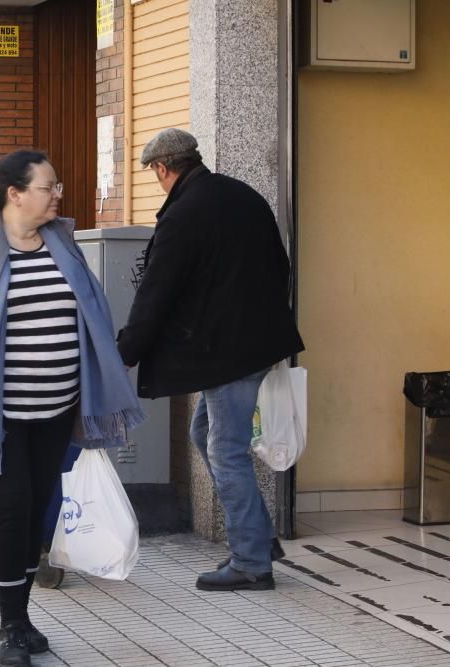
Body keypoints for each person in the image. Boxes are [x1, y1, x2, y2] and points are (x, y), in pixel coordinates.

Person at [0, 151, 145, 667]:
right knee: (11, 509)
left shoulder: (63, 243)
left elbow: (90, 316)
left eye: (57, 185)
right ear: (15, 194)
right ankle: (11, 623)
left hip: (59, 410)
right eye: (48, 186)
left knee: (41, 505)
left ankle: (22, 617)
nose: (57, 193)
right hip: (1, 419)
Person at [117, 128, 304, 592]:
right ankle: (258, 537)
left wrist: (125, 352)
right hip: (257, 343)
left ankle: (251, 561)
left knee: (225, 448)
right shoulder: (242, 195)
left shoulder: (183, 215)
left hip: (226, 352)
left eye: (155, 175)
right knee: (203, 432)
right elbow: (281, 266)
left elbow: (156, 293)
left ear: (163, 168)